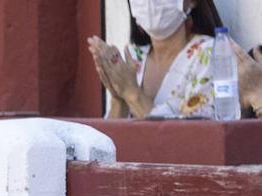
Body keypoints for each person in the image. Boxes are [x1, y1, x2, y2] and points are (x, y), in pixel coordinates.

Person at [86, 0, 225, 119]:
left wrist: (132, 93)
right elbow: (109, 144)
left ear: (191, 1)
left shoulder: (210, 53)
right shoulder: (133, 56)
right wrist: (119, 98)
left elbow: (191, 140)